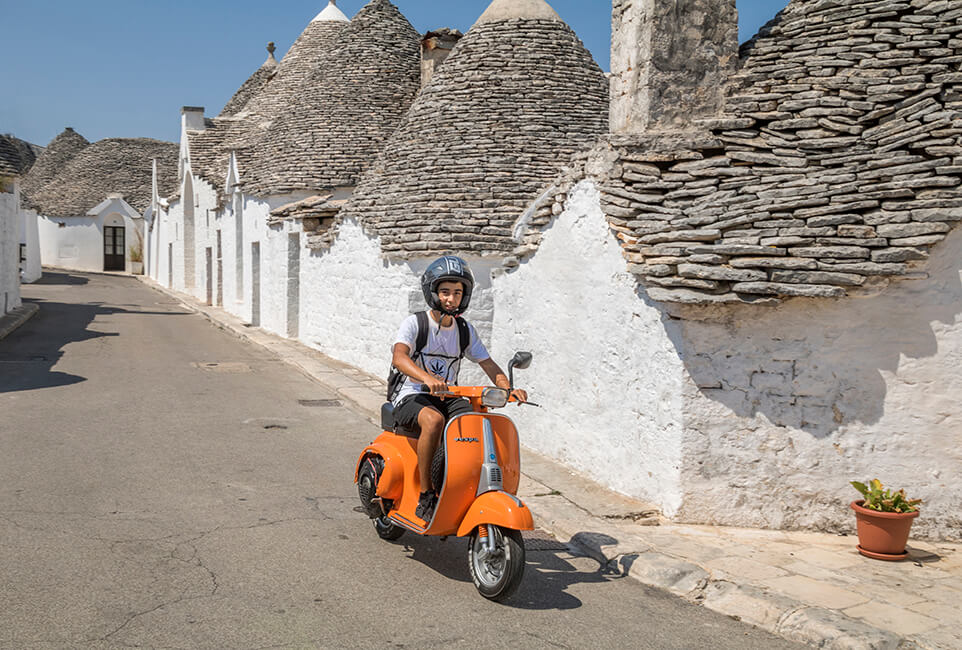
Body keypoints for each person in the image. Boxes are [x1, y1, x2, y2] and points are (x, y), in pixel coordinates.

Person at [391, 256, 527, 522]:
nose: (451, 299)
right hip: (412, 395)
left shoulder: (464, 330)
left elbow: (486, 362)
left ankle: (461, 484)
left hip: (447, 395)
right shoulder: (415, 323)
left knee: (472, 422)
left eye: (457, 293)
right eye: (445, 292)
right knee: (434, 420)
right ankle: (427, 494)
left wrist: (508, 387)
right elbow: (400, 357)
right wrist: (427, 378)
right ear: (433, 292)